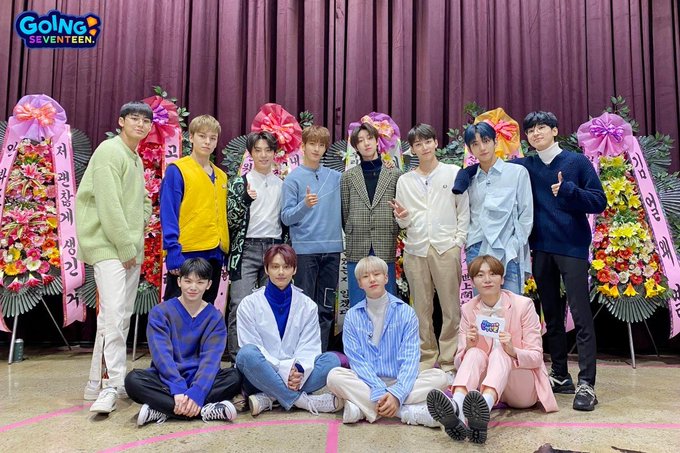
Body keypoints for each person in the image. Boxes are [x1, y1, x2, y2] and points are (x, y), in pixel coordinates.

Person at [454, 111, 605, 411]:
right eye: (531, 130)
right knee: (551, 315)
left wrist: (570, 191)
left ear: (555, 130)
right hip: (541, 249)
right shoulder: (526, 166)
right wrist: (465, 174)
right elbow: (489, 167)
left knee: (580, 314)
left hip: (572, 247)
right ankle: (560, 374)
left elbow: (599, 201)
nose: (536, 134)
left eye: (542, 128)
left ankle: (587, 383)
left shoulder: (576, 162)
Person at [427, 255, 558, 444]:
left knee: (500, 352)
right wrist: (468, 346)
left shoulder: (523, 305)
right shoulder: (468, 309)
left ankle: (483, 409)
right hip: (485, 383)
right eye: (480, 275)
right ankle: (458, 408)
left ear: (502, 279)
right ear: (473, 282)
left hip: (520, 387)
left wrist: (512, 350)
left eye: (493, 274)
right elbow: (459, 362)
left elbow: (537, 357)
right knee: (473, 353)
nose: (487, 279)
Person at [76, 101, 153, 414]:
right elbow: (108, 204)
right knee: (113, 317)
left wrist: (139, 225)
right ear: (121, 121)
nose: (140, 124)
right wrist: (124, 245)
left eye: (146, 121)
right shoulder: (110, 151)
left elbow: (143, 199)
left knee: (118, 317)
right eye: (134, 118)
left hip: (128, 248)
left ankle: (99, 382)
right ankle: (110, 384)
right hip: (111, 248)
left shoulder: (134, 157)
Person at [327, 256, 447, 426]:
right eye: (365, 276)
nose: (372, 279)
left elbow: (410, 358)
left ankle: (362, 408)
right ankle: (406, 412)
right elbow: (357, 361)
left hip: (399, 380)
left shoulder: (406, 312)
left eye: (377, 274)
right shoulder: (352, 316)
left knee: (440, 378)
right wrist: (380, 390)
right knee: (334, 377)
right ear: (359, 283)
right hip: (366, 382)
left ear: (386, 277)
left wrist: (397, 393)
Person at [390, 123, 470, 373]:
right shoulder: (405, 180)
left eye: (427, 141)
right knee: (421, 309)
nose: (424, 147)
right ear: (412, 149)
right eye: (418, 144)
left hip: (446, 247)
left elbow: (463, 210)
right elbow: (402, 221)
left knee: (450, 308)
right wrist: (402, 217)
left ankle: (449, 361)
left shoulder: (453, 172)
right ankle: (426, 358)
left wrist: (458, 242)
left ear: (436, 143)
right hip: (415, 249)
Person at [125, 258, 242, 425]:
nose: (193, 287)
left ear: (209, 285)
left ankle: (162, 409)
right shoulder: (160, 312)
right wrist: (178, 388)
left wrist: (197, 391)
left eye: (200, 282)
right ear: (179, 281)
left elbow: (210, 360)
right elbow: (161, 356)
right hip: (167, 379)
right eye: (188, 281)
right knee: (133, 380)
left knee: (234, 377)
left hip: (199, 377)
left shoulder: (215, 318)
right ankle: (204, 410)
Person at [235, 244, 343, 416]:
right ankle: (301, 401)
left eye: (286, 267)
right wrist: (283, 370)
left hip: (296, 376)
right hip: (263, 371)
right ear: (266, 269)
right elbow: (252, 345)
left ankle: (270, 397)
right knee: (246, 354)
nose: (281, 272)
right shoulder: (248, 304)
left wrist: (298, 369)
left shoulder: (308, 305)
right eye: (275, 267)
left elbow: (310, 346)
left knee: (331, 361)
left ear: (295, 269)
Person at [281, 125, 342, 351]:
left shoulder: (336, 177)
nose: (317, 149)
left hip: (332, 251)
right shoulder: (293, 179)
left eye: (321, 145)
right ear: (303, 146)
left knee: (326, 307)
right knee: (304, 308)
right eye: (312, 144)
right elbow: (286, 217)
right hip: (305, 252)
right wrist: (305, 205)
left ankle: (321, 356)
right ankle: (302, 355)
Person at [226, 130, 284, 362]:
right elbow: (230, 220)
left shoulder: (282, 184)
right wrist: (244, 201)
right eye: (257, 150)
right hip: (246, 249)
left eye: (268, 150)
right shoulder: (239, 183)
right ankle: (237, 360)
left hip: (274, 250)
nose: (263, 155)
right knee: (240, 305)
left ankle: (267, 361)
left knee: (270, 307)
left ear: (274, 153)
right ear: (250, 153)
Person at [160, 114, 229, 304]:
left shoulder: (221, 176)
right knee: (177, 309)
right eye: (202, 136)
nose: (207, 142)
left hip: (215, 253)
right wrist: (173, 250)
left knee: (206, 308)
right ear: (191, 137)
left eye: (212, 138)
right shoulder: (177, 170)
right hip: (187, 251)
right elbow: (168, 212)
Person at [462, 122, 533, 294]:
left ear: (495, 142)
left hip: (508, 247)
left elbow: (526, 215)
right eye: (475, 144)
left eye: (486, 141)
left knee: (511, 303)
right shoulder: (468, 179)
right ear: (470, 150)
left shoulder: (517, 172)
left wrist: (514, 245)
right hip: (477, 248)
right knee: (482, 305)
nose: (482, 148)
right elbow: (465, 214)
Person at [341, 122, 401, 306]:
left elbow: (399, 209)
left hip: (385, 241)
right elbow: (345, 213)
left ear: (377, 141)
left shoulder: (395, 174)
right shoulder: (348, 177)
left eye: (369, 138)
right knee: (358, 299)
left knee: (387, 299)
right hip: (357, 242)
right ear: (355, 146)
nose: (366, 143)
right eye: (360, 140)